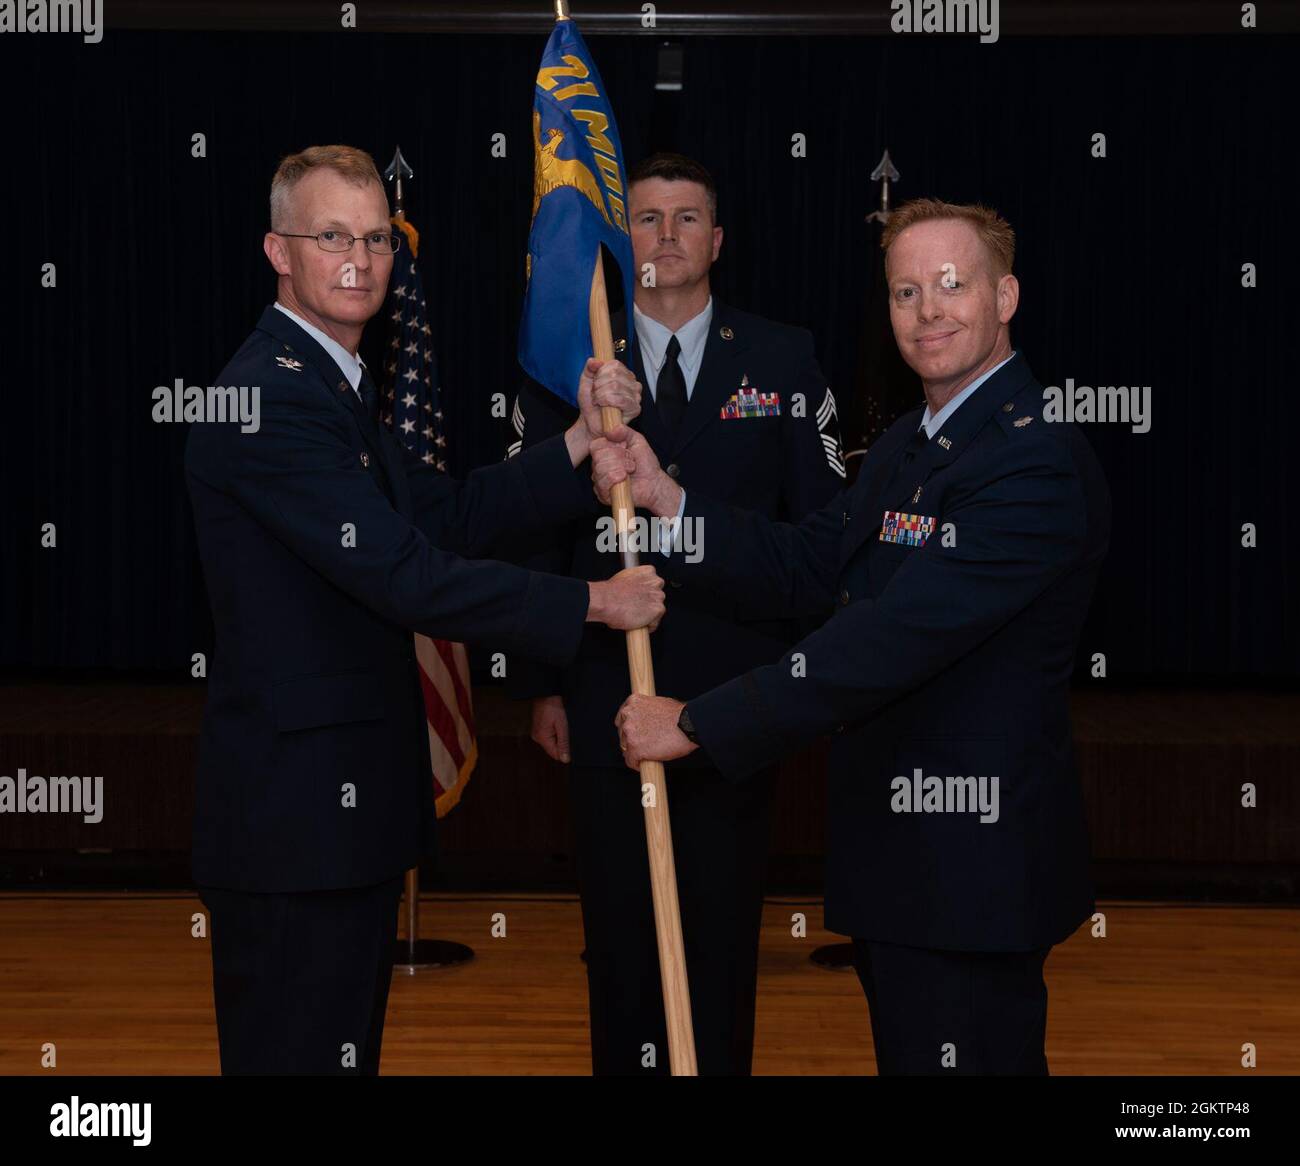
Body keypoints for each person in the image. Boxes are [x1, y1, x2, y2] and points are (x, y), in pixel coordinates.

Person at [596, 198, 1111, 1075]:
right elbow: (806, 561)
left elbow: (890, 638)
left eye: (952, 285)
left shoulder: (1034, 461)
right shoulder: (914, 440)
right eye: (905, 291)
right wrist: (666, 500)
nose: (928, 310)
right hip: (900, 862)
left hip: (970, 868)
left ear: (1007, 296)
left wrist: (697, 724)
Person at [185, 144, 662, 1075]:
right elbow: (406, 574)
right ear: (278, 251)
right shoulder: (267, 398)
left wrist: (574, 446)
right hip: (297, 829)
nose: (359, 259)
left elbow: (443, 515)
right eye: (331, 237)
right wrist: (594, 603)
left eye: (375, 238)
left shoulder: (332, 384)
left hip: (340, 822)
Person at [509, 153, 844, 1074]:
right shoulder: (576, 366)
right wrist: (545, 679)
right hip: (607, 681)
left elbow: (816, 534)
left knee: (723, 920)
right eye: (647, 220)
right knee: (618, 923)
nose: (666, 236)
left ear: (718, 240)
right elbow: (535, 528)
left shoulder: (784, 357)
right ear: (626, 245)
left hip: (735, 683)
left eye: (687, 218)